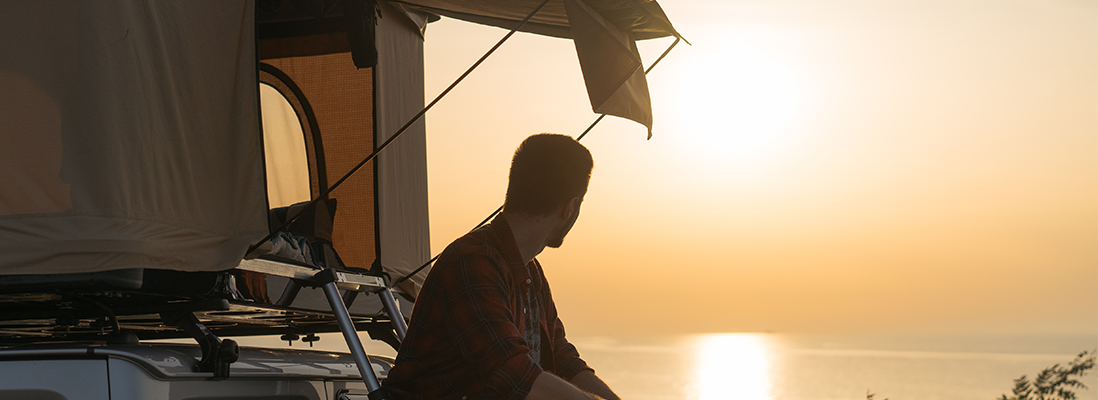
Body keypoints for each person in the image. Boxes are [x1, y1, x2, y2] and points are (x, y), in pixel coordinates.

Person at [383, 134, 620, 400]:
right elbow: (512, 372)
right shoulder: (471, 261)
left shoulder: (531, 273)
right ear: (571, 207)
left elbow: (563, 359)